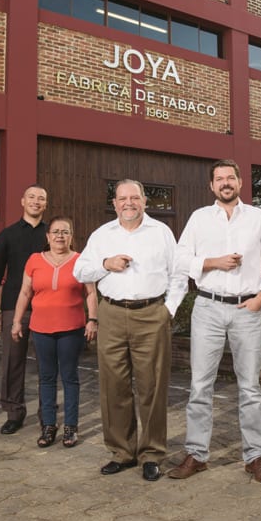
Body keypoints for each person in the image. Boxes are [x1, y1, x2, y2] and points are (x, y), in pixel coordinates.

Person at [169, 159, 261, 484]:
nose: (225, 183)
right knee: (200, 385)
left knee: (250, 387)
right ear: (212, 185)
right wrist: (212, 262)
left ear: (240, 182)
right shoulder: (199, 218)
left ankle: (255, 457)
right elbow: (180, 259)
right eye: (219, 179)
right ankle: (197, 454)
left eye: (230, 177)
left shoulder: (258, 218)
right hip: (207, 307)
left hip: (246, 309)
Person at [74, 180, 185, 481]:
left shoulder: (161, 232)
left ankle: (152, 453)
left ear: (145, 201)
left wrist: (168, 310)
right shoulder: (102, 235)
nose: (129, 203)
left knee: (152, 386)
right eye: (122, 198)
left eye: (135, 197)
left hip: (151, 314)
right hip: (110, 313)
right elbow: (80, 270)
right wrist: (105, 264)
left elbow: (179, 274)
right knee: (114, 385)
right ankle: (122, 452)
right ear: (114, 204)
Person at [12, 216, 97, 448]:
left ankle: (71, 426)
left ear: (71, 236)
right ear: (48, 236)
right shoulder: (34, 260)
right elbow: (25, 293)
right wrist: (17, 321)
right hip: (41, 329)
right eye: (56, 232)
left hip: (71, 329)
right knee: (46, 378)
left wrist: (92, 320)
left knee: (70, 377)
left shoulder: (81, 260)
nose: (60, 236)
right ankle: (49, 425)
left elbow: (91, 293)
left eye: (65, 232)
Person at [0, 185, 49, 435]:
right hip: (13, 306)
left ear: (45, 204)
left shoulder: (51, 234)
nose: (36, 201)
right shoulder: (7, 235)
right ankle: (14, 412)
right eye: (31, 197)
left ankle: (47, 415)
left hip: (46, 307)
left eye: (41, 198)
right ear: (22, 201)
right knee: (12, 362)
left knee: (46, 365)